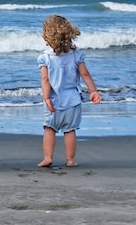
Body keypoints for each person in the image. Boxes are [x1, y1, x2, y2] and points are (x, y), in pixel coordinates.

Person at [37, 15, 101, 168]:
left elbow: (45, 80)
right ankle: (70, 160)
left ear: (47, 36)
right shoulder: (76, 56)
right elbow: (85, 75)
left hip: (53, 101)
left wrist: (46, 98)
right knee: (70, 131)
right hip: (73, 101)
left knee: (49, 129)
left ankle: (47, 157)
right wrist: (93, 91)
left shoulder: (45, 58)